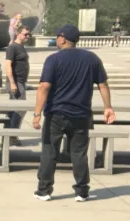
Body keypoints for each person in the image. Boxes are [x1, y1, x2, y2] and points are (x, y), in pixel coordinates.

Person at [33, 24, 115, 202]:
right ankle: (82, 191)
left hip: (56, 114)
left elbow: (44, 86)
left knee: (49, 151)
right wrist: (108, 107)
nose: (56, 39)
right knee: (79, 153)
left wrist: (37, 113)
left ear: (62, 38)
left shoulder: (53, 59)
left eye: (57, 36)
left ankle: (44, 190)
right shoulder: (92, 59)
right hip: (81, 115)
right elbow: (103, 84)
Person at [4, 24, 31, 146]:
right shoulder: (12, 47)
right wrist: (13, 83)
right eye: (25, 34)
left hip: (21, 81)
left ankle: (8, 134)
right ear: (18, 33)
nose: (27, 36)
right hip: (16, 82)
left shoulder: (21, 47)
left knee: (12, 110)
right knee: (20, 109)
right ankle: (12, 135)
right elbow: (8, 65)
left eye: (28, 34)